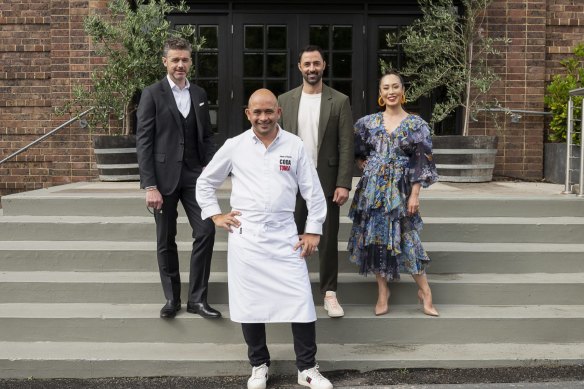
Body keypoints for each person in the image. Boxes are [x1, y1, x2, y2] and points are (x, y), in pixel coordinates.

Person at [196, 89, 334, 389]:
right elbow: (205, 183)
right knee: (250, 304)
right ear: (248, 114)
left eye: (268, 111)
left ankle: (307, 368)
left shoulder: (294, 145)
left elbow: (313, 191)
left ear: (278, 113)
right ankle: (259, 365)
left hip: (286, 236)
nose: (263, 117)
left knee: (301, 302)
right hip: (248, 239)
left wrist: (313, 229)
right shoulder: (235, 146)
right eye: (257, 112)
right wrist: (215, 215)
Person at [136, 37, 221, 320]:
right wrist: (150, 185)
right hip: (163, 179)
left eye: (185, 60)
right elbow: (144, 141)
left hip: (195, 175)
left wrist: (210, 168)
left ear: (190, 62)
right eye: (175, 60)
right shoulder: (152, 93)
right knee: (165, 239)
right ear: (165, 62)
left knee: (206, 231)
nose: (180, 65)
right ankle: (172, 298)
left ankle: (197, 299)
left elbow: (207, 136)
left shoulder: (199, 93)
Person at [348, 70, 440, 317]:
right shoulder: (367, 123)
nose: (391, 92)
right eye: (386, 88)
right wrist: (362, 163)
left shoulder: (416, 125)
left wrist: (415, 194)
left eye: (395, 87)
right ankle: (382, 292)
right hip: (373, 191)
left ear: (402, 90)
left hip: (401, 190)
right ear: (380, 93)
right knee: (377, 239)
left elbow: (422, 162)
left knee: (408, 239)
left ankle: (425, 291)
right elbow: (356, 149)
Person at [278, 45, 354, 318]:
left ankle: (329, 293)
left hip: (327, 181)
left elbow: (347, 145)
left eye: (316, 64)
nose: (312, 68)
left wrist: (344, 182)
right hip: (291, 182)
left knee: (328, 238)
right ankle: (291, 291)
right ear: (299, 67)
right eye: (307, 64)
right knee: (290, 236)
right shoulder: (284, 100)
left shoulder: (340, 100)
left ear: (324, 66)